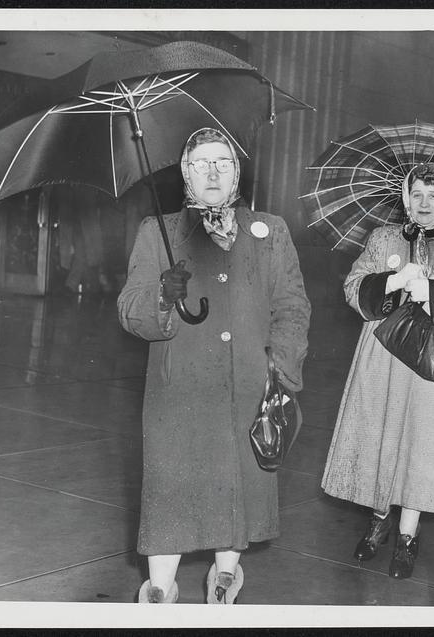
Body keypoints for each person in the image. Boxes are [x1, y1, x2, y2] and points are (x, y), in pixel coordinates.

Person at [118, 128, 310, 604]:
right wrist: (162, 295)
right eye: (200, 162)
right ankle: (160, 586)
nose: (211, 172)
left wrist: (278, 367)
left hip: (249, 384)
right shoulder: (156, 232)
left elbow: (293, 306)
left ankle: (225, 577)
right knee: (170, 488)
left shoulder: (270, 232)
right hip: (179, 389)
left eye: (222, 162)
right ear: (185, 172)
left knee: (236, 482)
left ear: (237, 172)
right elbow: (129, 310)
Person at [321, 163, 434, 579]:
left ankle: (407, 534)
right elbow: (353, 287)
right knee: (382, 437)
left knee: (423, 445)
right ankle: (379, 518)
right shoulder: (382, 238)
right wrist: (396, 280)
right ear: (404, 198)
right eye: (417, 194)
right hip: (384, 357)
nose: (424, 204)